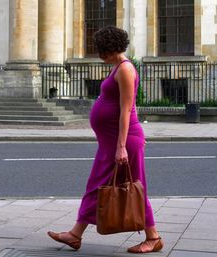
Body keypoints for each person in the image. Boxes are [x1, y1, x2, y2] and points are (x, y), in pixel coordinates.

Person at [47, 26, 163, 254]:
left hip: (121, 142)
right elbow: (130, 108)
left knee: (135, 186)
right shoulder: (117, 68)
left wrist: (122, 146)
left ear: (107, 48)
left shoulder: (125, 69)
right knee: (97, 186)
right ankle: (75, 234)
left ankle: (154, 237)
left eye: (100, 49)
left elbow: (126, 109)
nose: (98, 54)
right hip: (111, 141)